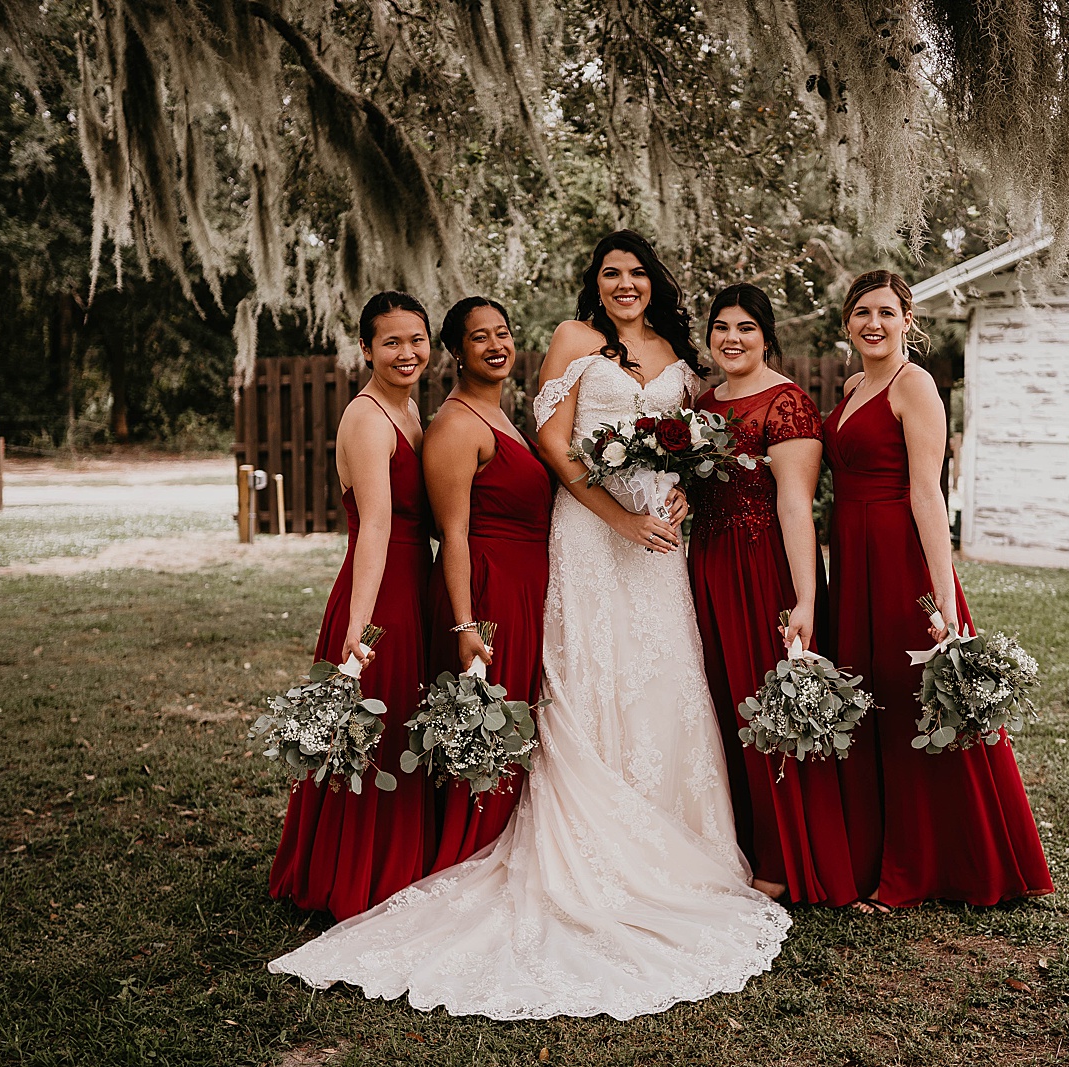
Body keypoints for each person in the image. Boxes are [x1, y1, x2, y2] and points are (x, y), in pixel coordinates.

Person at [269, 232, 790, 1020]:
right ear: (595, 282)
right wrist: (617, 514)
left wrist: (675, 494)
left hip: (658, 545)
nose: (624, 284)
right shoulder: (576, 341)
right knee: (584, 680)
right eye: (611, 273)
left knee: (663, 681)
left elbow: (683, 449)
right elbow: (552, 443)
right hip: (591, 534)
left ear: (655, 283)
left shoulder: (679, 353)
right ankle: (587, 849)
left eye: (637, 273)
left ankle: (683, 841)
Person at [822, 269, 1053, 911]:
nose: (874, 323)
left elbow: (927, 492)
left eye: (887, 313)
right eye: (862, 312)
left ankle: (924, 865)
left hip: (900, 557)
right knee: (871, 700)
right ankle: (875, 852)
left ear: (907, 321)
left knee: (914, 702)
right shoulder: (849, 387)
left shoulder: (913, 384)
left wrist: (944, 596)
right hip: (854, 557)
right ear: (848, 323)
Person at [687, 283, 857, 908]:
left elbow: (794, 505)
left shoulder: (787, 404)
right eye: (721, 327)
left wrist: (804, 599)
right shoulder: (703, 405)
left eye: (746, 328)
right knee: (723, 704)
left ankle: (786, 857)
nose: (732, 338)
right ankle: (740, 842)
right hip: (706, 565)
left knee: (770, 708)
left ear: (767, 336)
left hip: (764, 568)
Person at [268, 291, 436, 920]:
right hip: (380, 593)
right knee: (373, 732)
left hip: (412, 587)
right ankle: (355, 872)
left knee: (397, 733)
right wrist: (360, 629)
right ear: (365, 349)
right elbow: (375, 528)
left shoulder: (412, 410)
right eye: (391, 342)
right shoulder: (368, 419)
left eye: (416, 339)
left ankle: (398, 855)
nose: (406, 352)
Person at [422, 297, 554, 870]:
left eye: (503, 333)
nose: (497, 345)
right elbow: (452, 535)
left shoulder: (502, 415)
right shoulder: (455, 425)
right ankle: (470, 852)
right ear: (455, 351)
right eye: (480, 337)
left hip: (523, 587)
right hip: (488, 589)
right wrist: (465, 623)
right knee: (486, 721)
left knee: (513, 721)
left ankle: (502, 843)